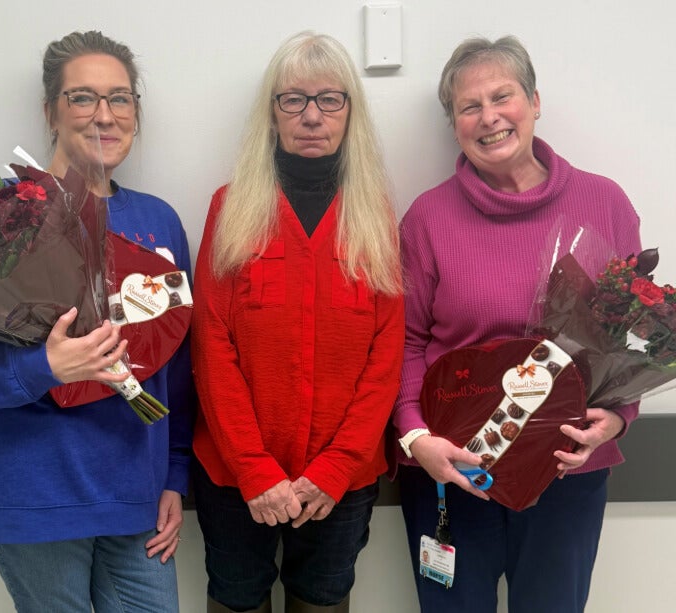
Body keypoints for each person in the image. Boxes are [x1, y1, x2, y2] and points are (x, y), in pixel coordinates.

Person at [0, 31, 192, 613]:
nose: (104, 116)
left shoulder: (158, 221)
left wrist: (174, 475)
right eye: (82, 98)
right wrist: (44, 366)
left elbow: (178, 365)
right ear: (50, 112)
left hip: (133, 494)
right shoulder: (0, 210)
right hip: (30, 490)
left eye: (120, 98)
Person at [392, 36, 641, 613]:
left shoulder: (604, 203)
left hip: (565, 470)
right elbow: (403, 343)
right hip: (450, 470)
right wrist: (415, 436)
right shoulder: (427, 219)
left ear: (534, 102)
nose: (489, 117)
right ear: (453, 124)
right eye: (468, 107)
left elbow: (628, 335)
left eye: (502, 96)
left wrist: (619, 420)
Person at [191, 31, 404, 613]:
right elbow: (211, 344)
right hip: (236, 477)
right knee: (236, 598)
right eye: (294, 100)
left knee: (324, 599)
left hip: (341, 478)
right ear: (273, 113)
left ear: (349, 113)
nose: (312, 116)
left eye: (329, 99)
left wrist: (336, 468)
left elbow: (386, 356)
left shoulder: (376, 216)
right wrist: (255, 470)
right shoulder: (229, 208)